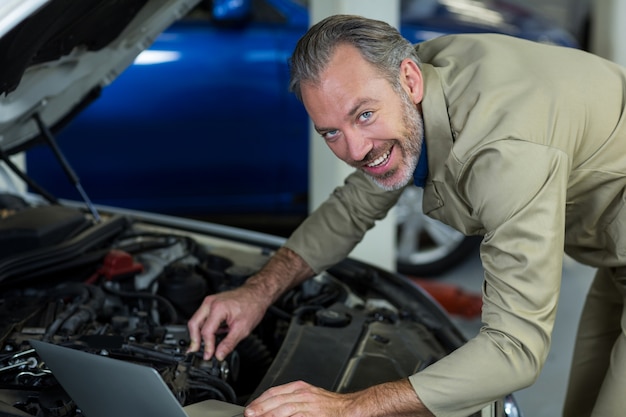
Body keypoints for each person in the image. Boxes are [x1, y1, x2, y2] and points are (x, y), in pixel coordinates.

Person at [188, 14, 626, 417]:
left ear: (410, 81)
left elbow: (515, 350)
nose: (355, 150)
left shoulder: (502, 152)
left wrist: (350, 406)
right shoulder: (415, 80)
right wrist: (257, 291)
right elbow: (352, 207)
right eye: (332, 133)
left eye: (364, 115)